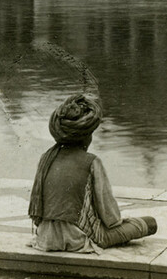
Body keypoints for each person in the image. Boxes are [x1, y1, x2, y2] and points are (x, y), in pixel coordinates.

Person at [28, 92, 158, 253]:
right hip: (78, 238)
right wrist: (119, 222)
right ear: (85, 137)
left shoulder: (45, 158)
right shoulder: (91, 161)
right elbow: (111, 218)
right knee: (150, 223)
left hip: (46, 238)